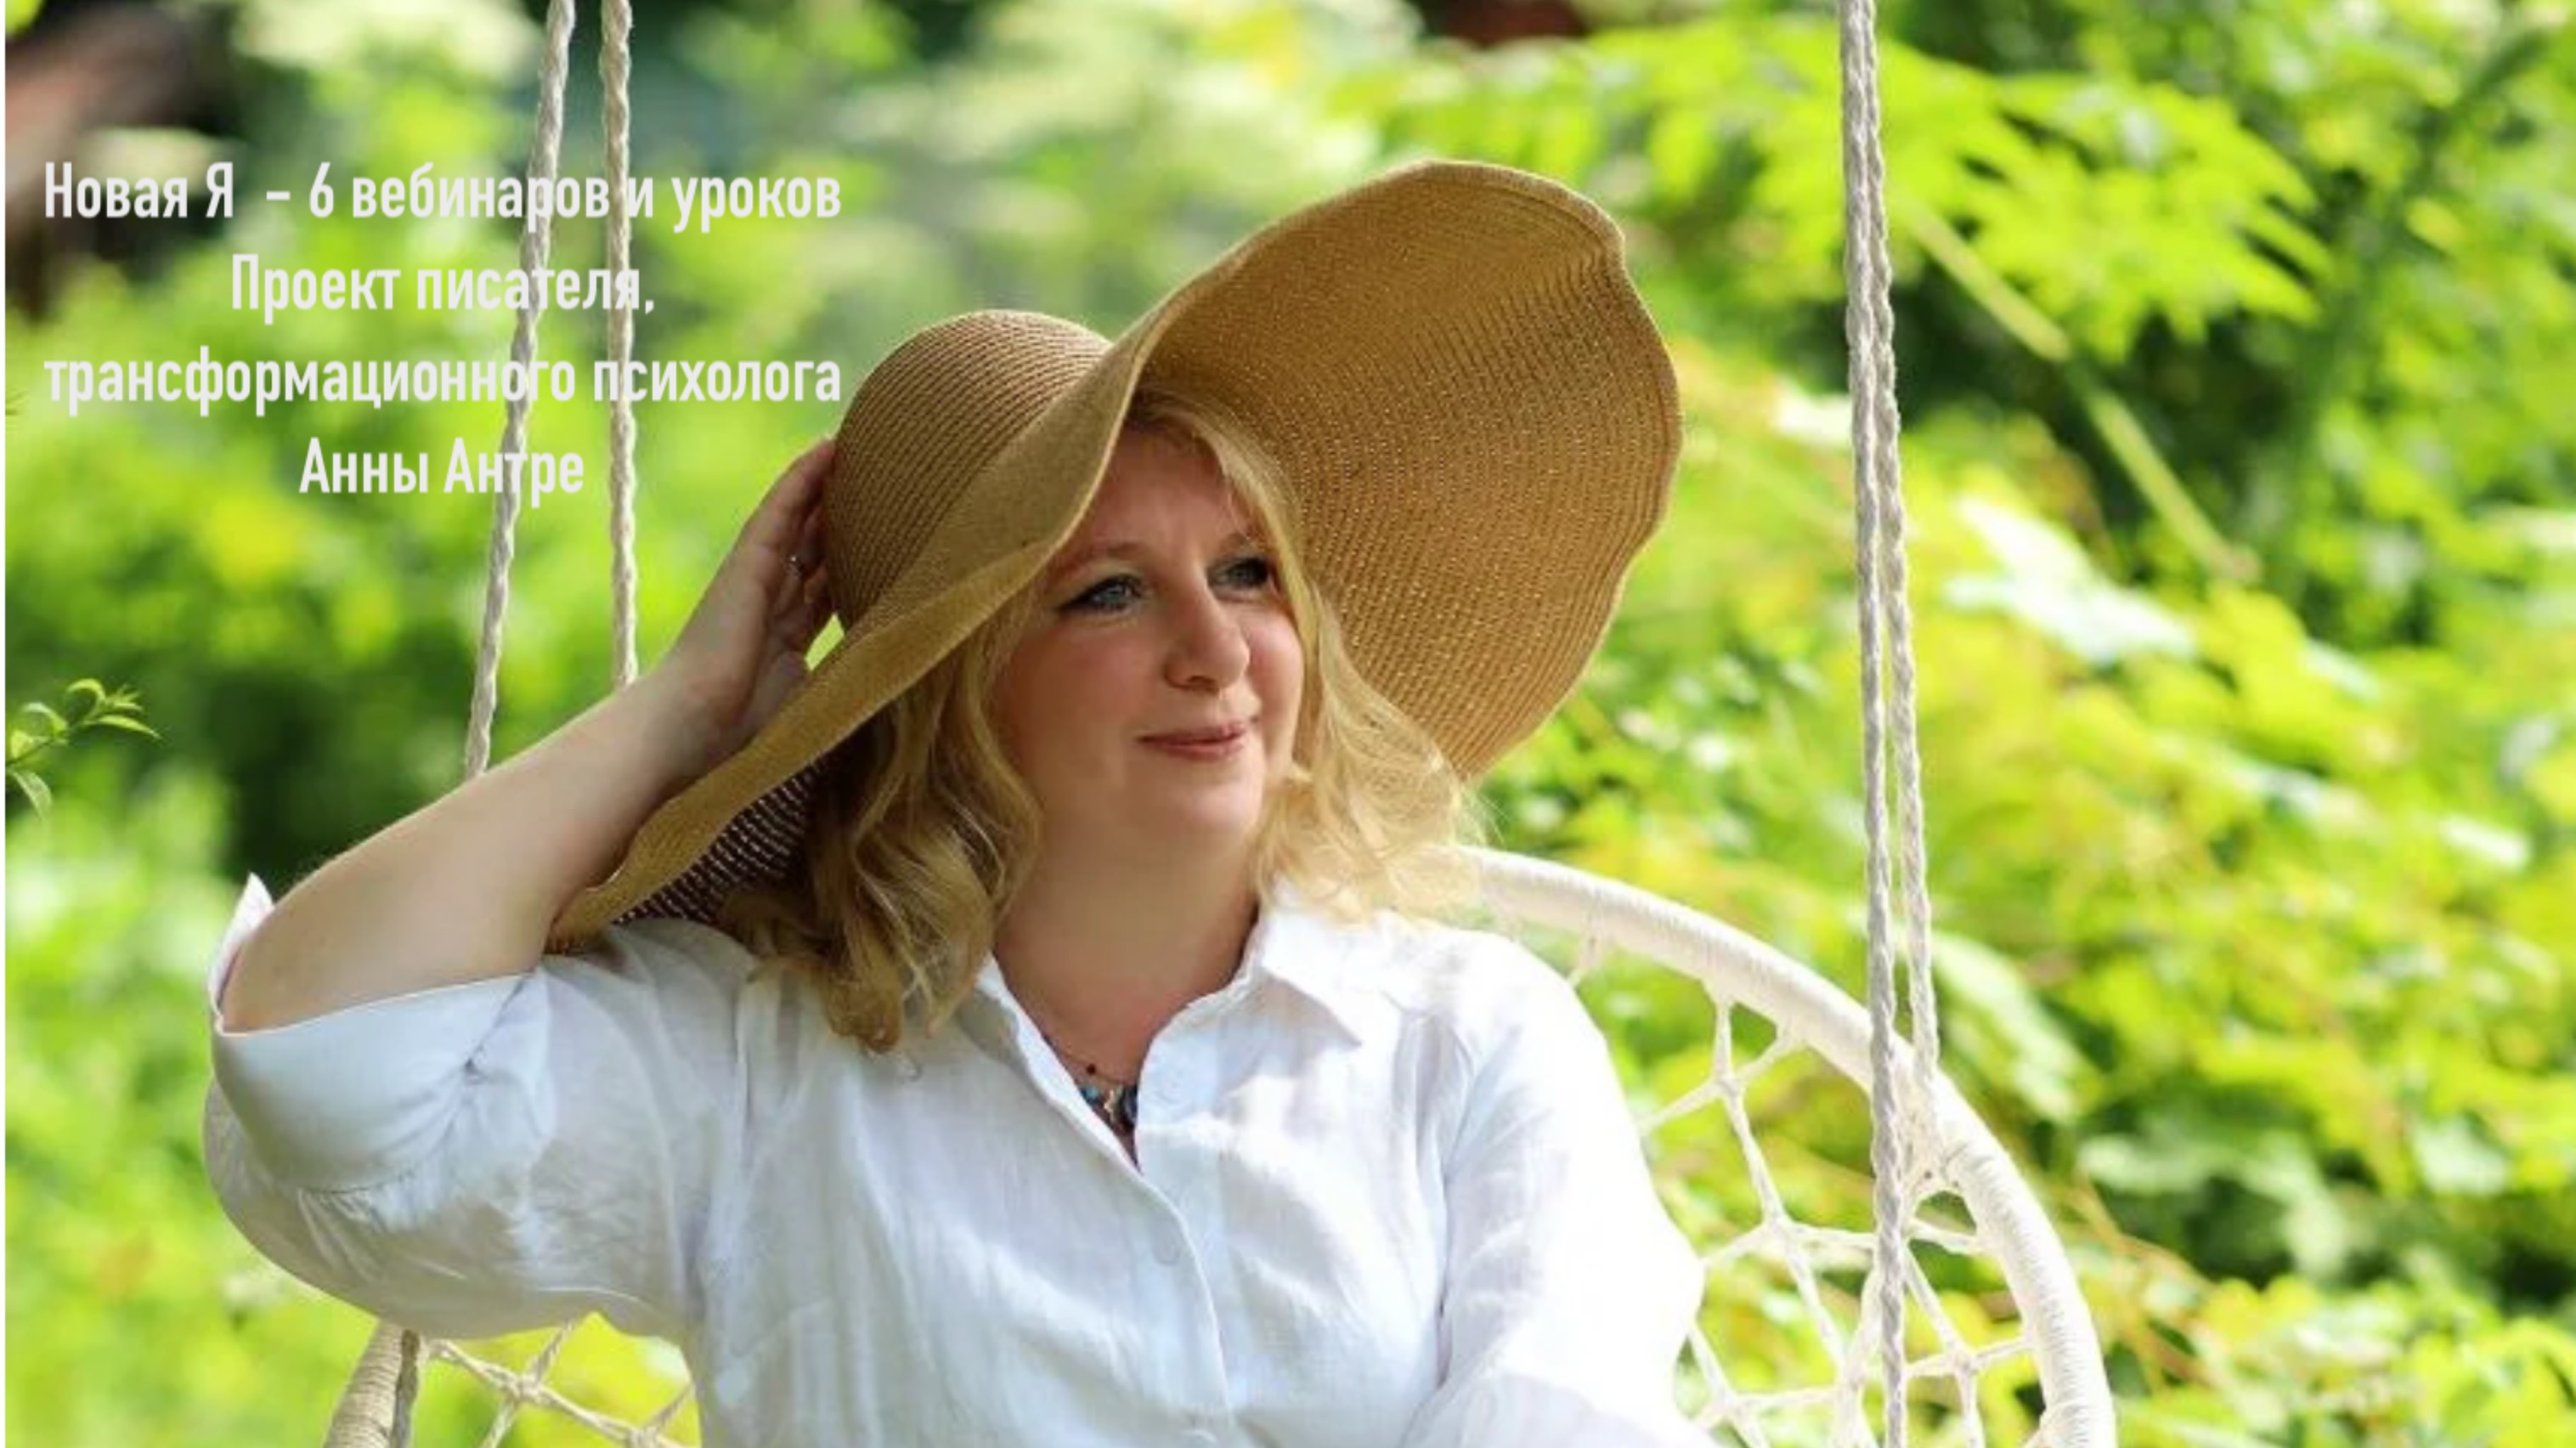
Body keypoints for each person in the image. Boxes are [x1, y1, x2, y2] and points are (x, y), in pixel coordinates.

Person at [203, 160, 1709, 1447]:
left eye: (1248, 573)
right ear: (955, 697)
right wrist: (680, 715)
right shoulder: (755, 1065)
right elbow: (322, 1071)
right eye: (1108, 594)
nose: (1215, 650)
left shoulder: (1467, 1044)